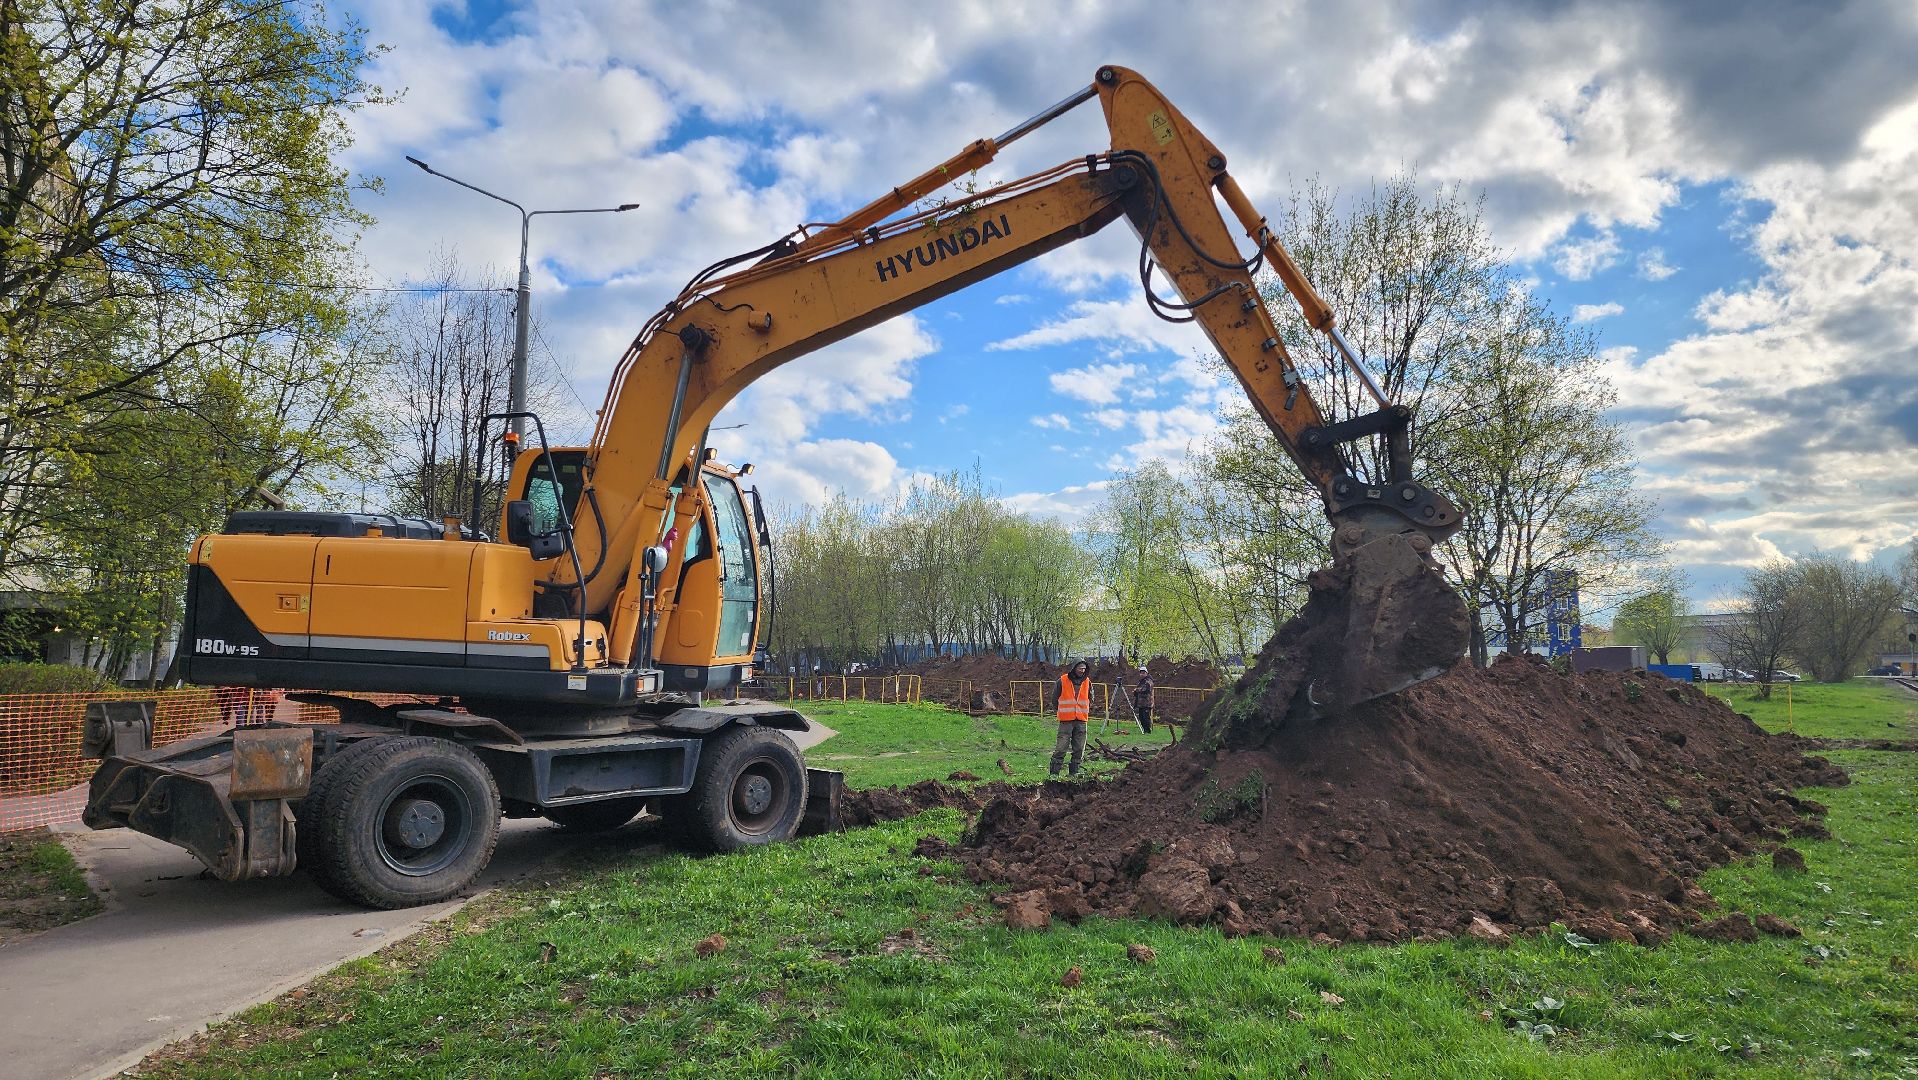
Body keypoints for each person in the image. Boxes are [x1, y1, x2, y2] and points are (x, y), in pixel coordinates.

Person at [1049, 659, 1093, 777]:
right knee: (1061, 747)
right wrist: (1061, 711)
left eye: (1084, 669)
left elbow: (1090, 698)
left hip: (1081, 720)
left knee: (1079, 748)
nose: (1082, 671)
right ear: (1074, 668)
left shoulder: (1087, 682)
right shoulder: (1062, 681)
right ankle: (1054, 774)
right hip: (1066, 721)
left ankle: (1074, 772)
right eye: (1080, 668)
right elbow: (1054, 699)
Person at [1131, 665, 1155, 734]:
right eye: (1141, 673)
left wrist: (1137, 690)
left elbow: (1146, 688)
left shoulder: (1149, 680)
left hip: (1147, 703)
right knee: (1141, 717)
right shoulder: (1141, 681)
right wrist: (1136, 691)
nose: (1142, 674)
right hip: (1141, 703)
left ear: (1146, 673)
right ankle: (1144, 730)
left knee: (1145, 717)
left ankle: (1148, 731)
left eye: (1143, 673)